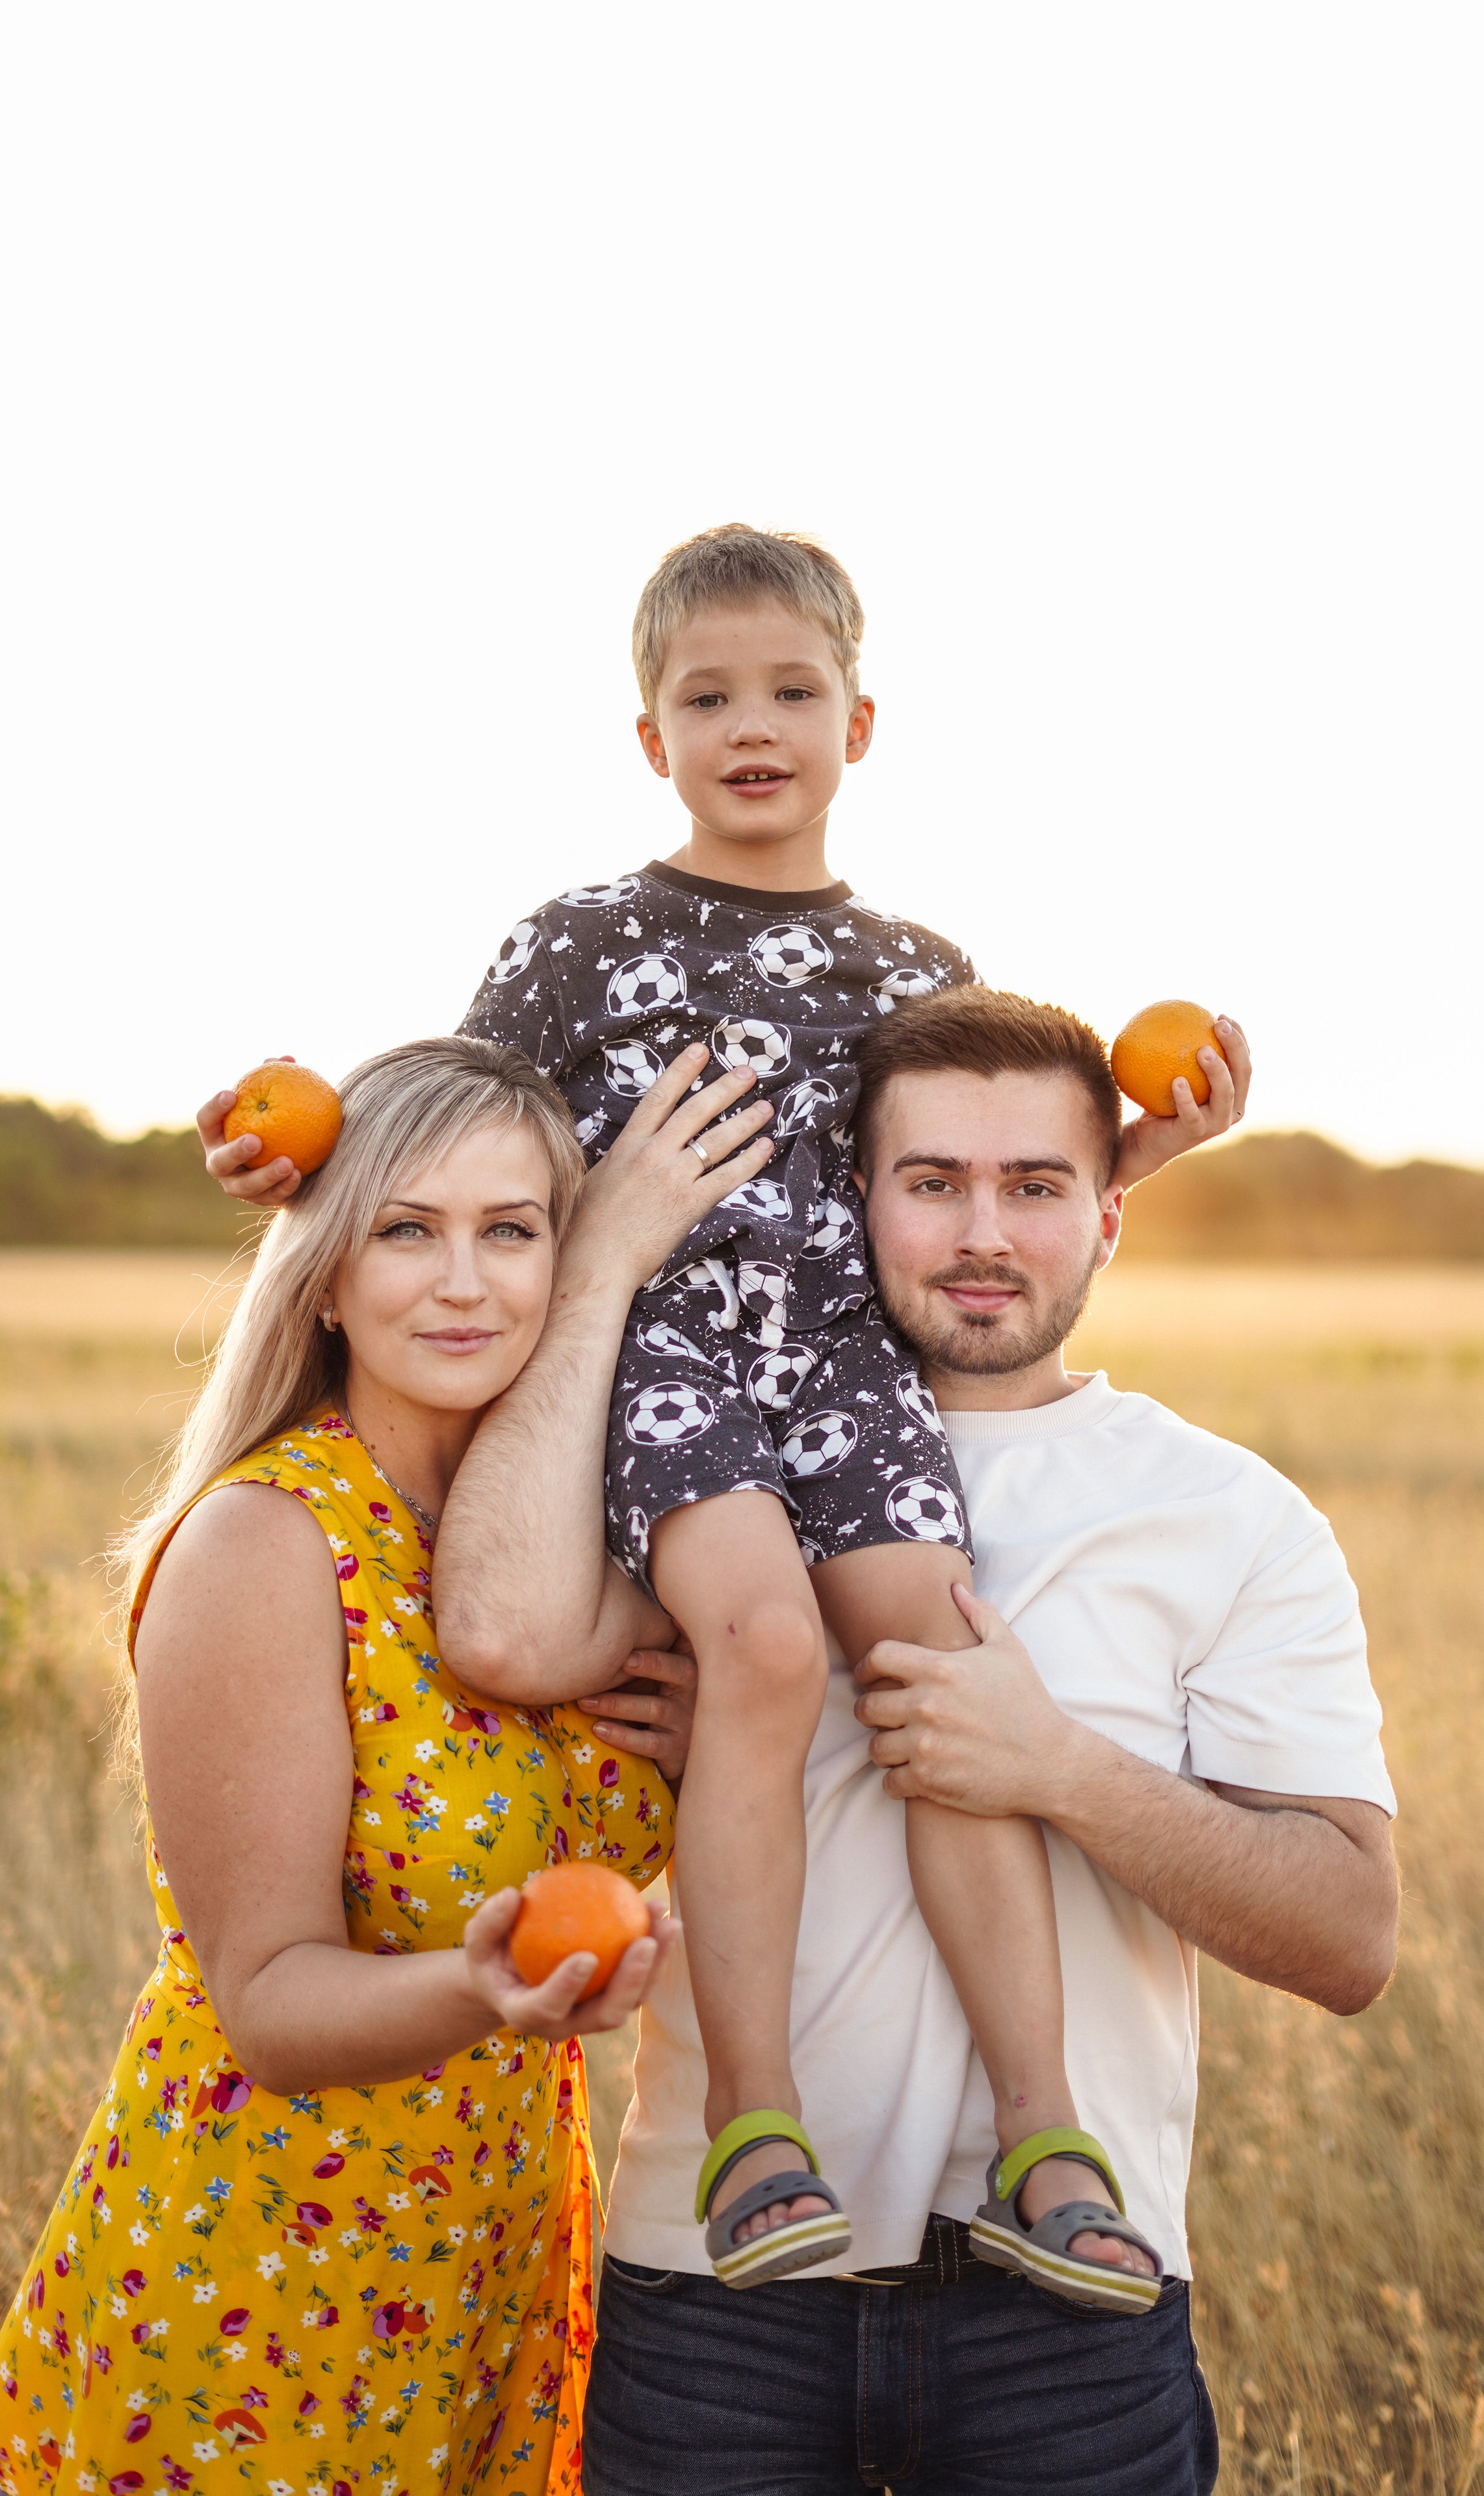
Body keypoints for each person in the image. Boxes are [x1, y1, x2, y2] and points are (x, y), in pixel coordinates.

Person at [200, 523, 1253, 2299]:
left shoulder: (921, 962)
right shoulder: (579, 938)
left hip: (844, 1355)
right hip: (671, 1348)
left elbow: (974, 1178)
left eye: (792, 690)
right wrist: (301, 1154)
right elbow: (451, 1124)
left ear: (862, 721)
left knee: (947, 1679)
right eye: (708, 696)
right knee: (764, 1650)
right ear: (649, 738)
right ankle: (760, 2122)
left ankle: (1047, 2133)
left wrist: (1143, 1142)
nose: (752, 724)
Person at [553, 986, 1396, 2494]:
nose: (982, 1234)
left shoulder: (1229, 1518)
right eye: (931, 1182)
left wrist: (1056, 1764)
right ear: (847, 1198)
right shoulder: (673, 1483)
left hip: (1063, 2308)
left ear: (1112, 1212)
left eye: (1037, 1186)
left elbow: (1347, 1939)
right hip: (711, 2290)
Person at [0, 1032, 780, 2496]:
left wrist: (707, 1746)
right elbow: (270, 2005)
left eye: (513, 1230)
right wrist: (482, 1989)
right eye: (406, 1231)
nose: (464, 1281)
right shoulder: (271, 1538)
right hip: (260, 2282)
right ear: (328, 1273)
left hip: (490, 2260)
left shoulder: (581, 1539)